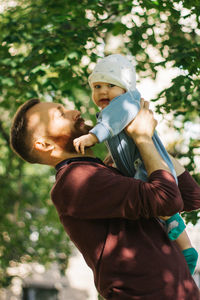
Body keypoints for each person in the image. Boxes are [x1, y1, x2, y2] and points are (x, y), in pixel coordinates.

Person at [10, 98, 200, 299]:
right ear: (44, 144)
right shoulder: (75, 181)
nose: (74, 110)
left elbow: (190, 196)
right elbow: (167, 199)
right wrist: (142, 138)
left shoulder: (101, 172)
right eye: (60, 114)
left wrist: (149, 142)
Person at [73, 54, 198, 274]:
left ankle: (186, 249)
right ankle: (183, 248)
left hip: (143, 165)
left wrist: (92, 137)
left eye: (110, 85)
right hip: (139, 162)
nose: (102, 91)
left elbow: (110, 126)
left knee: (160, 204)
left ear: (124, 87)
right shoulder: (114, 108)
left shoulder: (125, 102)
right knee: (158, 211)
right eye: (97, 86)